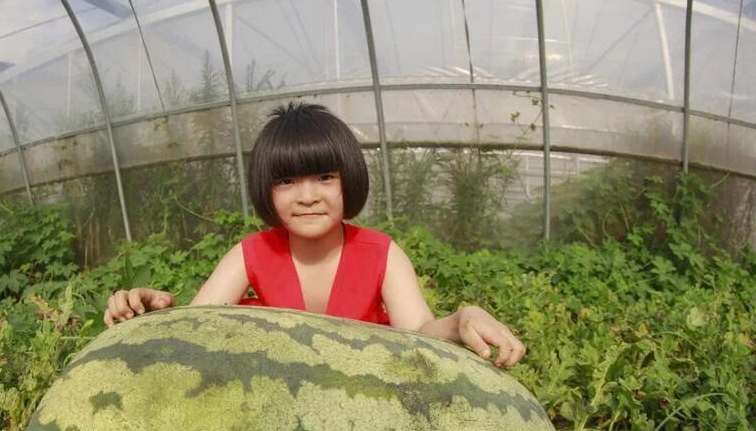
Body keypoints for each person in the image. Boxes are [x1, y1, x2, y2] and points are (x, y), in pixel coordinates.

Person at [104, 102, 526, 368]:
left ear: (349, 181)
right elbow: (197, 325)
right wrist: (155, 308)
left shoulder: (382, 254)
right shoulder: (250, 253)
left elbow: (418, 331)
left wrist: (461, 319)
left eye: (324, 176)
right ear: (267, 189)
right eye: (286, 181)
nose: (307, 196)